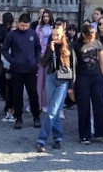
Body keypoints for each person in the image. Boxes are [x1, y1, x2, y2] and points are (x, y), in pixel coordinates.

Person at [35, 23, 76, 152]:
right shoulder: (51, 45)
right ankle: (58, 137)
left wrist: (71, 86)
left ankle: (41, 139)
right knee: (54, 110)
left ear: (63, 33)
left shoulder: (69, 46)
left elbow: (74, 67)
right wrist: (50, 50)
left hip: (63, 81)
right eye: (53, 34)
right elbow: (43, 63)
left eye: (57, 34)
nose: (55, 37)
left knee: (52, 110)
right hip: (51, 79)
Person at [73, 24, 103, 146]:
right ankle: (84, 135)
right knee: (84, 107)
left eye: (93, 36)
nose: (91, 39)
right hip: (82, 77)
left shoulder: (98, 44)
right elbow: (74, 64)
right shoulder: (76, 45)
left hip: (96, 77)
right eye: (89, 37)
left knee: (100, 105)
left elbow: (101, 61)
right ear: (83, 35)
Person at [2, 13, 42, 129]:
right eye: (22, 25)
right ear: (18, 23)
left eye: (26, 25)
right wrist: (12, 61)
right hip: (17, 69)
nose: (24, 27)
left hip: (31, 68)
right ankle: (18, 117)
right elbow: (4, 49)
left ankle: (36, 116)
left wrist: (35, 60)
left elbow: (38, 48)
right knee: (17, 94)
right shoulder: (12, 35)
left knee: (33, 93)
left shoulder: (33, 33)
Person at [35, 9, 54, 112]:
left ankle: (46, 104)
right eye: (44, 16)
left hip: (49, 56)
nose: (45, 18)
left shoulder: (53, 28)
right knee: (39, 81)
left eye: (47, 16)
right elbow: (36, 42)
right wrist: (40, 52)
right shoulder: (39, 28)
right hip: (40, 55)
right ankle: (37, 103)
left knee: (47, 81)